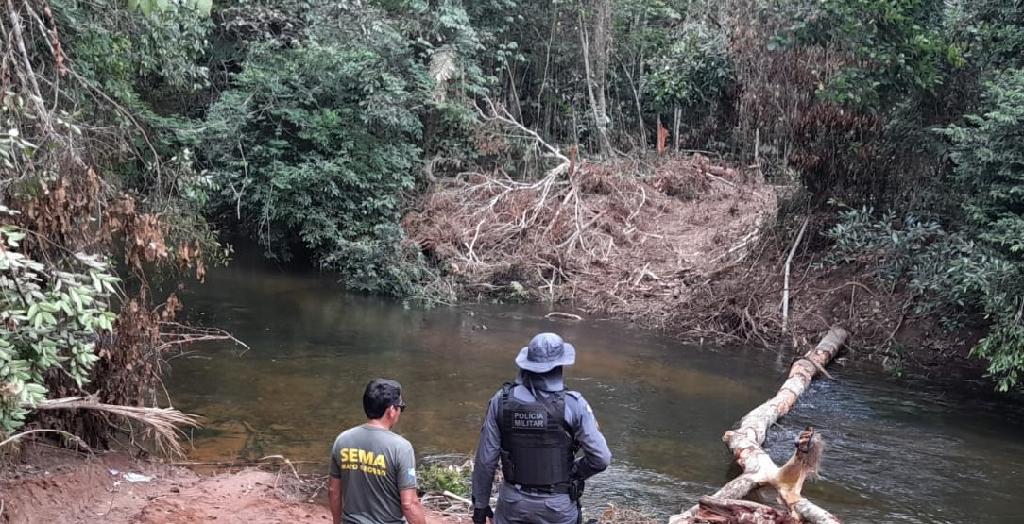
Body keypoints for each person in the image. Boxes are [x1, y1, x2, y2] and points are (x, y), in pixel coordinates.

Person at [471, 333, 612, 524]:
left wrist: (480, 505)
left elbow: (485, 461)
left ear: (527, 365)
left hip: (513, 503)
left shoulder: (501, 401)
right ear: (560, 366)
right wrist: (575, 472)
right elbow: (601, 458)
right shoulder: (575, 405)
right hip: (557, 506)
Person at [329, 378, 427, 524]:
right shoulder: (401, 448)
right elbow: (409, 504)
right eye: (401, 407)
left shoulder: (342, 440)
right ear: (391, 410)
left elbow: (333, 491)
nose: (400, 411)